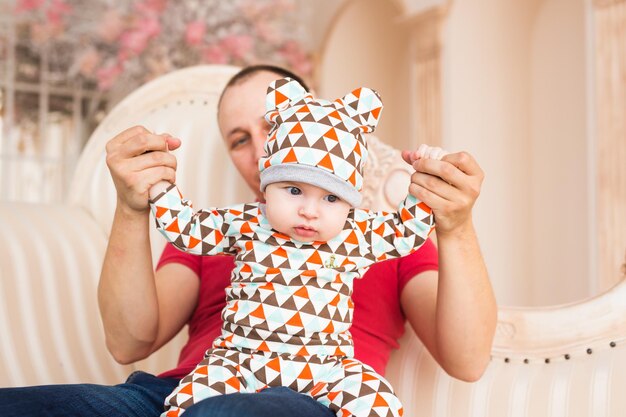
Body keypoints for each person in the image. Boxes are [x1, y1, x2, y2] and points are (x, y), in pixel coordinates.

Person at [0, 65, 496, 417]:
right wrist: (133, 206)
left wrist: (455, 224)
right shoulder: (220, 231)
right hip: (180, 395)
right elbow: (130, 341)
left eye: (271, 125)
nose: (261, 150)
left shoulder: (378, 237)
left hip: (311, 398)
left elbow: (468, 359)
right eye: (239, 139)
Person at [149, 77, 436, 416]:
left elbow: (408, 231)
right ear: (269, 178)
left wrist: (427, 183)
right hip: (235, 365)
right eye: (294, 190)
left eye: (331, 197)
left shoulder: (356, 231)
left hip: (326, 374)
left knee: (378, 404)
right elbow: (186, 228)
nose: (309, 211)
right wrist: (157, 185)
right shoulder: (244, 222)